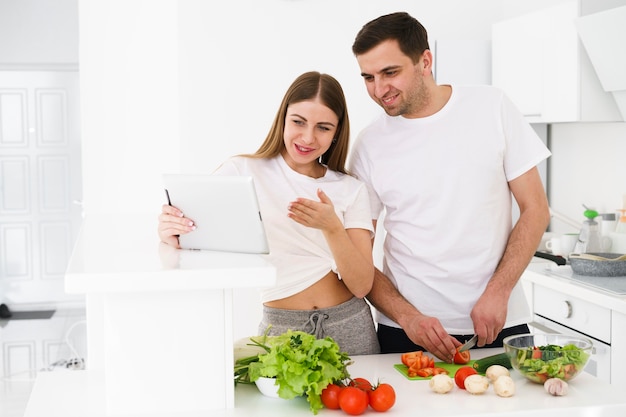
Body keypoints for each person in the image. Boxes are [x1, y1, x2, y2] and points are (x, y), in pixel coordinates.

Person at [348, 12, 551, 361]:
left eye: (390, 73)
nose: (379, 89)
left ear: (425, 61)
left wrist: (499, 292)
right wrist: (407, 317)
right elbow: (358, 258)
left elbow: (536, 209)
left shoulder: (492, 107)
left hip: (500, 321)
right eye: (368, 77)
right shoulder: (368, 145)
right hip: (409, 332)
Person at [158, 71, 380, 355]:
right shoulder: (241, 172)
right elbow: (192, 236)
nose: (308, 137)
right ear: (283, 119)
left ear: (337, 132)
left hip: (349, 324)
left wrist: (332, 227)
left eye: (323, 127)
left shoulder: (351, 189)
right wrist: (168, 232)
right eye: (298, 122)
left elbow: (361, 285)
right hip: (281, 329)